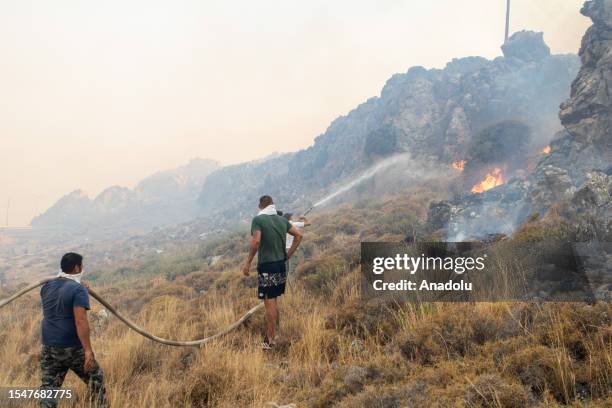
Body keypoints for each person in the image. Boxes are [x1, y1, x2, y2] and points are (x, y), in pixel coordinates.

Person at [39, 253, 108, 408]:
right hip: (71, 346)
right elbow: (80, 321)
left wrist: (80, 288)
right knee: (96, 380)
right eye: (82, 265)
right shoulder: (78, 290)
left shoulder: (46, 287)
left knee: (48, 389)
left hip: (49, 346)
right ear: (77, 267)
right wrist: (88, 350)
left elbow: (61, 299)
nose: (82, 268)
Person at [242, 195, 302, 349]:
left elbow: (256, 242)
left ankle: (270, 340)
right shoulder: (282, 220)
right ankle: (275, 333)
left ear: (260, 205)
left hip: (267, 266)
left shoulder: (259, 220)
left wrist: (248, 263)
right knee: (274, 300)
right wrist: (288, 255)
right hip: (280, 266)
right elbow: (299, 235)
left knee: (269, 302)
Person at [283, 213, 311, 277]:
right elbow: (308, 223)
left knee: (286, 270)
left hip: (284, 250)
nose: (292, 217)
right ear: (289, 218)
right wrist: (303, 217)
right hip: (292, 249)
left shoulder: (283, 225)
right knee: (292, 270)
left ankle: (285, 286)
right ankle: (291, 286)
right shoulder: (295, 224)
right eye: (291, 216)